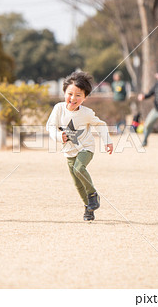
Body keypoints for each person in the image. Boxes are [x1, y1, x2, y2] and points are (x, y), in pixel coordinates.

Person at [46, 71, 113, 221]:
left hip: (85, 148)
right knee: (77, 183)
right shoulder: (58, 109)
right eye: (70, 94)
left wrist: (107, 140)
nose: (73, 98)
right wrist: (59, 136)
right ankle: (88, 207)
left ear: (85, 97)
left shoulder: (87, 113)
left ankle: (93, 194)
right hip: (69, 151)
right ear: (64, 92)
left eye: (78, 95)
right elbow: (50, 126)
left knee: (79, 169)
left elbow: (100, 125)